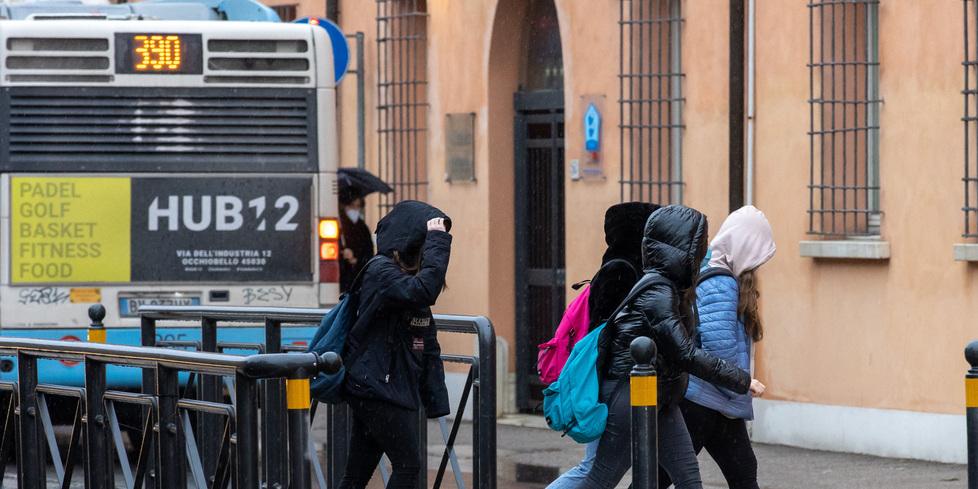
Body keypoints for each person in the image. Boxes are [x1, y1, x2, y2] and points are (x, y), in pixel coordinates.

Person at [581, 205, 765, 489]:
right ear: (684, 247)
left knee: (688, 479)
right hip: (630, 394)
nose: (705, 251)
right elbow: (685, 353)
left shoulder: (672, 288)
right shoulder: (658, 292)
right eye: (700, 244)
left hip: (663, 394)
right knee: (601, 477)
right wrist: (741, 380)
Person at [338, 200, 453, 489]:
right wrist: (439, 241)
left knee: (356, 475)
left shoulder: (406, 281)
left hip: (382, 387)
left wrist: (436, 400)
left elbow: (427, 345)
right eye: (424, 247)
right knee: (408, 466)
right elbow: (425, 290)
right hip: (377, 388)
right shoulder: (381, 272)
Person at [659, 205, 775, 489]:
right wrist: (743, 383)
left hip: (717, 402)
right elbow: (718, 348)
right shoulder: (721, 282)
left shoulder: (716, 274)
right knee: (660, 476)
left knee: (743, 473)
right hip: (703, 400)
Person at [547, 202, 660, 489]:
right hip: (610, 383)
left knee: (607, 469)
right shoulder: (621, 270)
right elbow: (607, 332)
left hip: (614, 381)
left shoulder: (621, 266)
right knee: (593, 470)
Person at [338, 188, 375, 293]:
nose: (355, 210)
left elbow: (368, 251)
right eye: (351, 206)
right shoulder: (338, 225)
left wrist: (356, 261)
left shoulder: (362, 228)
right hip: (342, 277)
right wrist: (342, 253)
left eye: (358, 207)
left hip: (358, 277)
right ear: (345, 206)